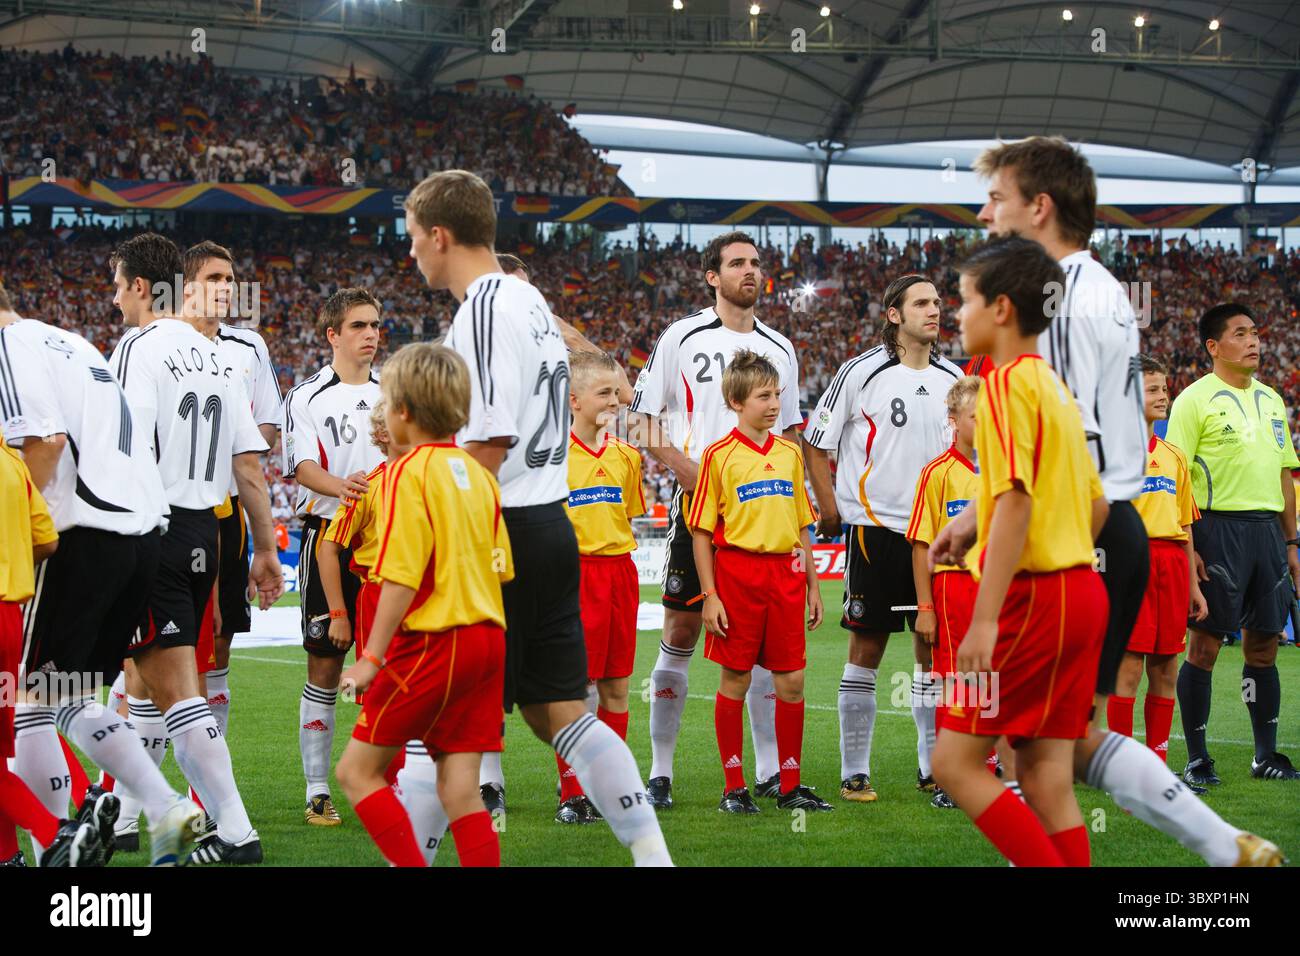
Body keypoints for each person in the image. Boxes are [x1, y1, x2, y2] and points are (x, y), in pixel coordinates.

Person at [935, 136, 1283, 867]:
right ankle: (1225, 846)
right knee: (1048, 755)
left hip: (1083, 536)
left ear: (1040, 207)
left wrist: (1024, 553)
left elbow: (1065, 460)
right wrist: (978, 518)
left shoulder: (1056, 306)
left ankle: (1221, 846)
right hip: (1096, 529)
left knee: (1026, 754)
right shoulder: (1093, 291)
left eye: (996, 198)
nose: (983, 212)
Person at [407, 169, 671, 866]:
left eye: (411, 238)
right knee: (555, 711)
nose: (411, 255)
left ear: (440, 235)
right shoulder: (528, 300)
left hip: (503, 530)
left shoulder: (487, 309)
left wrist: (441, 534)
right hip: (550, 522)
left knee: (440, 714)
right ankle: (652, 855)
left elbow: (488, 440)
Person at [1, 274, 205, 869]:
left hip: (82, 534)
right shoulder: (70, 342)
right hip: (141, 533)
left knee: (36, 697)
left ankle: (68, 841)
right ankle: (156, 812)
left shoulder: (8, 348)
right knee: (53, 697)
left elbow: (45, 441)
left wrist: (16, 533)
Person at [931, 235, 1110, 867]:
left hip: (1030, 600)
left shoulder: (1002, 387)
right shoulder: (1052, 387)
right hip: (1080, 594)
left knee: (953, 762)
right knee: (1045, 777)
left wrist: (984, 617)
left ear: (1001, 308)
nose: (958, 314)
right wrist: (973, 523)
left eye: (965, 299)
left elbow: (1015, 502)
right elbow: (1095, 505)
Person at [108, 232, 282, 865]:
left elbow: (128, 445)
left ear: (145, 288)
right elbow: (249, 464)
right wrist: (264, 548)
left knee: (169, 686)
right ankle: (129, 818)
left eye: (120, 282)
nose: (116, 296)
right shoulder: (218, 355)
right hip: (206, 533)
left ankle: (231, 832)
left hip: (151, 526)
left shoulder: (139, 346)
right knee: (157, 680)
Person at [628, 230, 801, 809]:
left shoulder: (781, 346)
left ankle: (772, 772)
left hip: (765, 514)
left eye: (755, 263)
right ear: (712, 276)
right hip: (700, 507)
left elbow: (790, 433)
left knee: (761, 650)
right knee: (680, 631)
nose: (749, 271)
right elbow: (639, 418)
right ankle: (661, 772)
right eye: (736, 263)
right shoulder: (680, 336)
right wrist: (683, 467)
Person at [335, 343, 510, 868]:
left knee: (355, 772)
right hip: (487, 638)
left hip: (435, 640)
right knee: (460, 789)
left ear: (403, 411)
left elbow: (400, 577)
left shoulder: (407, 475)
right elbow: (502, 567)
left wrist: (371, 656)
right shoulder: (479, 475)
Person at [803, 274, 961, 802]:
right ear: (894, 314)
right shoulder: (860, 371)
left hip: (937, 540)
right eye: (921, 303)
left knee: (930, 649)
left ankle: (932, 768)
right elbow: (815, 441)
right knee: (866, 648)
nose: (934, 311)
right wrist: (829, 507)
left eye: (937, 302)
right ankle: (854, 771)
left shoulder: (953, 378)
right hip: (877, 530)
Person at [689, 351, 828, 813]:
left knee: (792, 681)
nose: (774, 404)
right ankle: (734, 787)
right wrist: (709, 596)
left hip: (786, 577)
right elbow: (703, 532)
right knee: (737, 679)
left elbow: (803, 524)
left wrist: (812, 585)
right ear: (736, 401)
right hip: (738, 577)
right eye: (763, 396)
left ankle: (790, 786)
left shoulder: (790, 453)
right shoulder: (718, 456)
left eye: (777, 395)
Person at [1166, 304, 1300, 783]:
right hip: (1216, 531)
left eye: (1256, 333)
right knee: (1203, 646)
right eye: (1240, 333)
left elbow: (1286, 475)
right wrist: (1190, 547)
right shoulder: (1193, 401)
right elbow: (1174, 475)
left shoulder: (1272, 400)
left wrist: (1291, 543)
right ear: (1213, 347)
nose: (1253, 341)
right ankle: (1197, 758)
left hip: (1267, 534)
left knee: (1263, 647)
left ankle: (1265, 756)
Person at [281, 288, 383, 826]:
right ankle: (318, 788)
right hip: (330, 538)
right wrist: (346, 488)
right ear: (332, 335)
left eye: (375, 325)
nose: (371, 334)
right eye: (359, 326)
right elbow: (301, 469)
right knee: (325, 662)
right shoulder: (306, 396)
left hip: (388, 544)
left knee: (389, 663)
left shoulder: (395, 391)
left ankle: (384, 783)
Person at [181, 241, 283, 738]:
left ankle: (206, 799)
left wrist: (225, 449)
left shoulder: (249, 347)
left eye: (230, 279)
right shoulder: (159, 345)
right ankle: (121, 793)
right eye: (214, 278)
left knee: (220, 640)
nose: (225, 288)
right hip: (171, 513)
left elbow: (266, 426)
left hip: (227, 512)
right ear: (184, 288)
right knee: (149, 650)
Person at [0, 441, 103, 867]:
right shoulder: (11, 461)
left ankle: (57, 832)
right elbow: (45, 539)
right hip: (10, 616)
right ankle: (10, 856)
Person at [555, 350, 645, 824]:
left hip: (619, 575)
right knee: (575, 687)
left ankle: (613, 788)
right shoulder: (551, 458)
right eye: (604, 392)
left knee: (616, 685)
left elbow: (626, 514)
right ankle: (571, 792)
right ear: (574, 400)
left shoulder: (628, 456)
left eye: (617, 392)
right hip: (574, 576)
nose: (615, 400)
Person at [1108, 355, 1208, 764]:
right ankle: (1119, 766)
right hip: (1129, 564)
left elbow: (1184, 527)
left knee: (1166, 667)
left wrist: (1194, 587)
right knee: (1128, 669)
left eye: (1163, 389)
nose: (1162, 396)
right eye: (1152, 389)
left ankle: (1157, 763)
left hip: (1170, 565)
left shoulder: (1174, 457)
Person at [906, 374, 981, 810]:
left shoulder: (1005, 471)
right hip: (953, 588)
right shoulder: (937, 474)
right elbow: (921, 547)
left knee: (994, 679)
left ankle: (988, 763)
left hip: (998, 588)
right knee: (955, 682)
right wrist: (926, 607)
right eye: (976, 416)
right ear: (953, 420)